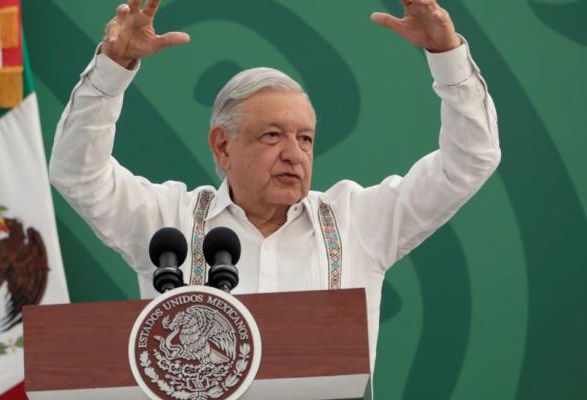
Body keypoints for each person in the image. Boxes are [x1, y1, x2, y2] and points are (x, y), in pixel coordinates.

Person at [49, 0, 500, 373]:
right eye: (272, 135)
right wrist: (112, 68)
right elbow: (77, 173)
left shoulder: (357, 219)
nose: (294, 153)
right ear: (222, 147)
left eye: (305, 138)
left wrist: (448, 58)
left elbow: (469, 160)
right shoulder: (168, 222)